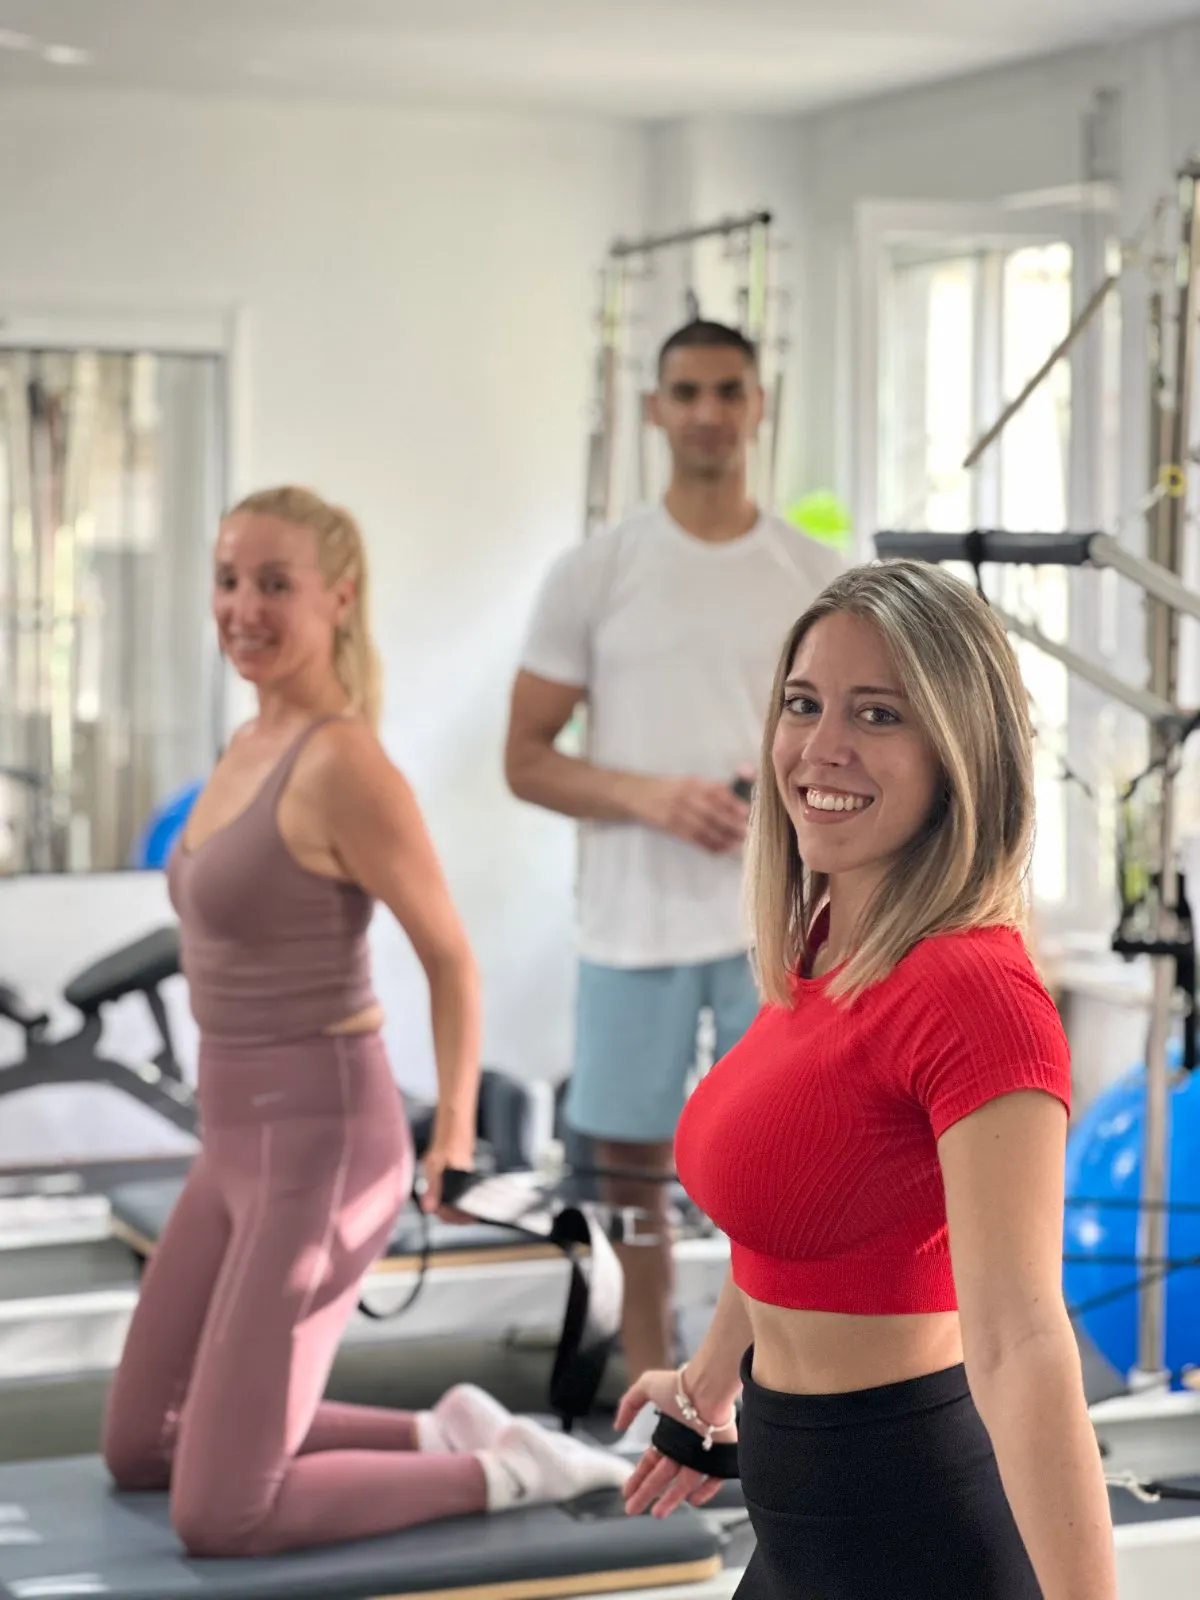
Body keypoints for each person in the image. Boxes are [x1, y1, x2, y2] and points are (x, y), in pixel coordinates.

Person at [102, 485, 629, 1559]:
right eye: (229, 580)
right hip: (230, 1144)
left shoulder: (344, 762)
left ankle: (508, 1470)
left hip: (323, 1148)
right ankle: (444, 1427)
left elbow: (450, 957)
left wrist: (452, 1139)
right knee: (139, 1445)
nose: (243, 608)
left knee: (222, 1513)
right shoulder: (247, 740)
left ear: (338, 599)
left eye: (275, 584)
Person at [616, 560, 1117, 1599]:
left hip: (915, 1528)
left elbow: (1024, 1344)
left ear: (957, 752)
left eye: (878, 714)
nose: (821, 747)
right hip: (798, 1519)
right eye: (804, 703)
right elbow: (789, 1210)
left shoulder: (972, 992)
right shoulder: (828, 943)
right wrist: (709, 1385)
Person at [505, 320, 844, 1383]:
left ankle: (774, 1373)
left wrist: (789, 795)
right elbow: (525, 758)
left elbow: (866, 741)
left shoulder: (816, 575)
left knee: (779, 1160)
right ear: (655, 409)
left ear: (759, 405)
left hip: (777, 921)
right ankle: (650, 1369)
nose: (708, 412)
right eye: (687, 391)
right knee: (632, 1168)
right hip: (633, 922)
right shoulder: (594, 572)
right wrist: (648, 796)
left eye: (728, 390)